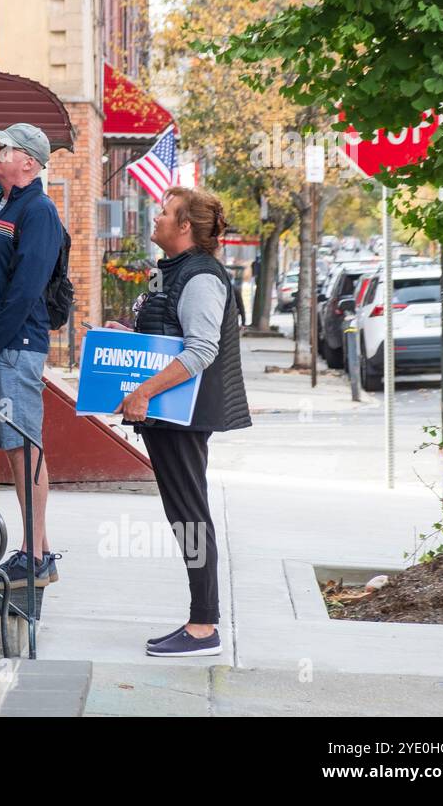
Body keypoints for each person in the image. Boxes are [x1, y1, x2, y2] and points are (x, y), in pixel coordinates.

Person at [112, 186, 251, 657]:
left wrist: (144, 391)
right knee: (183, 514)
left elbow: (201, 349)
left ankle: (203, 626)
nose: (156, 218)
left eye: (166, 213)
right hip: (168, 413)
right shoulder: (167, 271)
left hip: (183, 413)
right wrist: (126, 337)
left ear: (185, 226)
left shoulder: (202, 278)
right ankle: (201, 621)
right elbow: (164, 332)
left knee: (191, 515)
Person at [0, 123, 65, 585]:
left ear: (29, 161)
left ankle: (35, 554)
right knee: (12, 446)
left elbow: (24, 292)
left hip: (17, 346)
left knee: (23, 446)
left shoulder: (39, 210)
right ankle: (36, 552)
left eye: (4, 147)